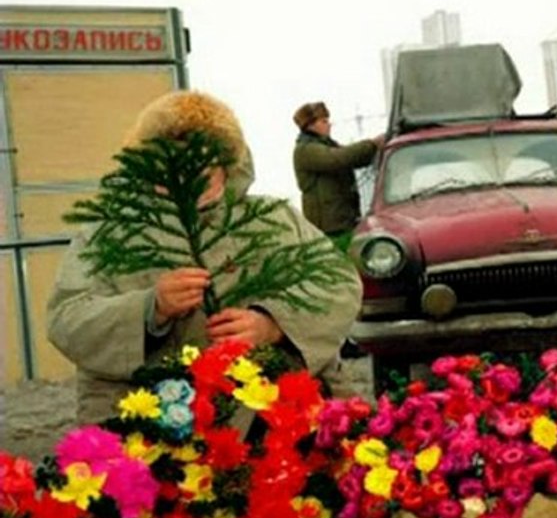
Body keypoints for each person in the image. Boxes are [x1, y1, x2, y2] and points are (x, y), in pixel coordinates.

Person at [47, 90, 364, 425]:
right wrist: (149, 308)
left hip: (279, 424)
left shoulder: (275, 219)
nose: (191, 170)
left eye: (204, 158)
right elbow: (67, 318)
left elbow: (340, 283)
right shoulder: (107, 234)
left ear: (228, 162)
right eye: (174, 156)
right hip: (153, 433)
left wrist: (273, 324)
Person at [292, 101, 383, 252]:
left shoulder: (325, 145)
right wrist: (372, 144)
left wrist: (374, 149)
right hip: (330, 229)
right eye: (324, 121)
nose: (329, 124)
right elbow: (339, 158)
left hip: (343, 224)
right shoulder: (305, 150)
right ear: (310, 125)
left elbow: (350, 156)